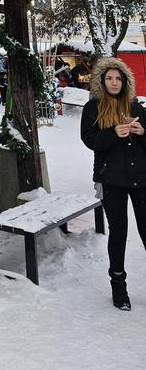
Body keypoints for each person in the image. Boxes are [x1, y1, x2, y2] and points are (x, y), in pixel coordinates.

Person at [80, 57, 146, 311]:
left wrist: (142, 133)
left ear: (125, 81)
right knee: (118, 233)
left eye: (118, 78)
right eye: (109, 78)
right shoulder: (93, 108)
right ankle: (118, 286)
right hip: (112, 180)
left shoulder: (136, 106)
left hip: (142, 179)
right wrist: (113, 134)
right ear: (101, 81)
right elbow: (89, 140)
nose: (114, 82)